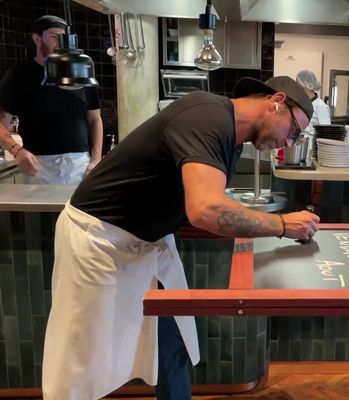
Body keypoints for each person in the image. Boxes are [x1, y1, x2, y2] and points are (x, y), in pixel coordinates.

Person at [41, 75, 321, 400]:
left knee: (173, 345)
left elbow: (196, 203)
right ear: (277, 102)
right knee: (81, 365)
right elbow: (205, 209)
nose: (289, 143)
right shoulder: (208, 115)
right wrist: (283, 225)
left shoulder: (231, 139)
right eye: (294, 131)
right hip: (99, 242)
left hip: (147, 246)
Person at [0, 15, 103, 185]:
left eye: (63, 38)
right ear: (37, 38)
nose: (60, 43)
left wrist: (96, 159)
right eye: (55, 37)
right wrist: (17, 151)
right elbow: (2, 124)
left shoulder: (80, 72)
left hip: (80, 164)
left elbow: (95, 120)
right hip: (39, 166)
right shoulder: (19, 75)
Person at [295, 69, 331, 135]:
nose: (296, 87)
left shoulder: (321, 106)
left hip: (312, 144)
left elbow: (326, 132)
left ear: (307, 84)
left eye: (298, 84)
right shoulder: (300, 103)